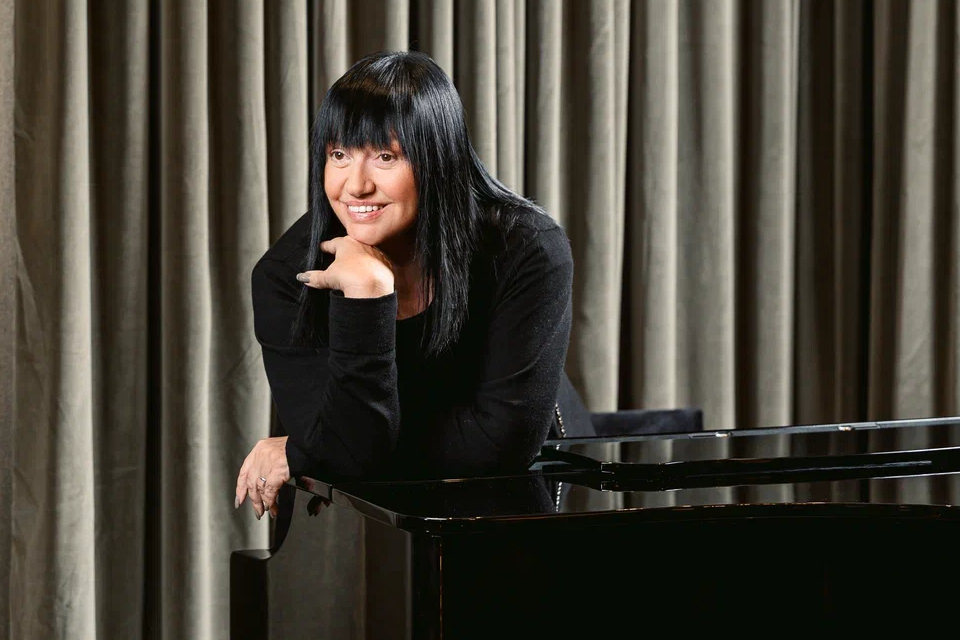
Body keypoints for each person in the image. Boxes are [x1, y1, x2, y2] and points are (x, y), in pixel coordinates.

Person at [235, 50, 588, 520]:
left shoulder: (527, 249)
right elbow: (347, 459)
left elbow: (500, 448)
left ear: (439, 161)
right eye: (339, 154)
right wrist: (367, 297)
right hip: (361, 512)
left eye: (386, 156)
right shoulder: (286, 277)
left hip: (520, 494)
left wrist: (308, 450)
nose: (355, 186)